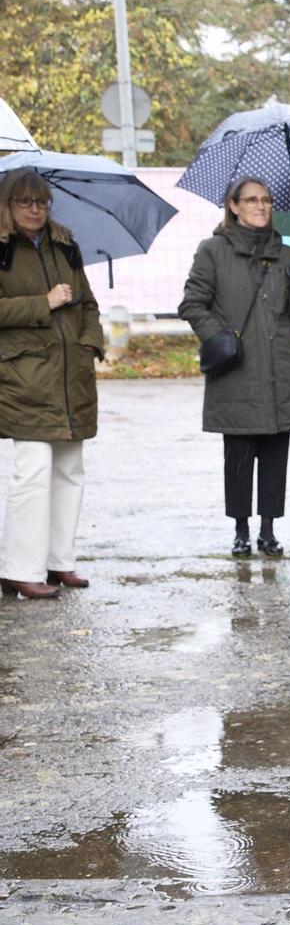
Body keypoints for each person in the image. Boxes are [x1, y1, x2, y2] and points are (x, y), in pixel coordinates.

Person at [178, 177, 290, 557]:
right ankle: (241, 529)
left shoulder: (288, 254)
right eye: (252, 200)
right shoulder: (213, 251)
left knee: (275, 452)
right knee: (238, 454)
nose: (261, 206)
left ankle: (268, 529)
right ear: (233, 206)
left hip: (281, 368)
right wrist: (220, 337)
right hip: (237, 368)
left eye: (267, 200)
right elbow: (192, 304)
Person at [0, 168, 103, 601]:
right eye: (25, 201)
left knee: (70, 470)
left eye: (41, 202)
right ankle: (18, 569)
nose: (35, 209)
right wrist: (42, 303)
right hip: (22, 376)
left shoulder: (66, 245)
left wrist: (91, 343)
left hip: (70, 376)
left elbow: (89, 303)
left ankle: (59, 561)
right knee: (34, 472)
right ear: (8, 204)